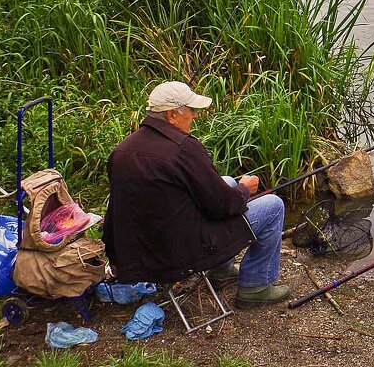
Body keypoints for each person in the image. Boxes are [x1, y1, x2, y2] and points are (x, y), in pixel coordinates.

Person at [103, 81, 290, 307]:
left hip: (139, 253)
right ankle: (255, 287)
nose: (195, 116)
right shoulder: (183, 148)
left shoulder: (122, 150)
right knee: (273, 205)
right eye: (191, 110)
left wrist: (233, 187)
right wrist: (244, 189)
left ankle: (222, 271)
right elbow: (222, 205)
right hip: (178, 256)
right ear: (172, 115)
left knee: (226, 182)